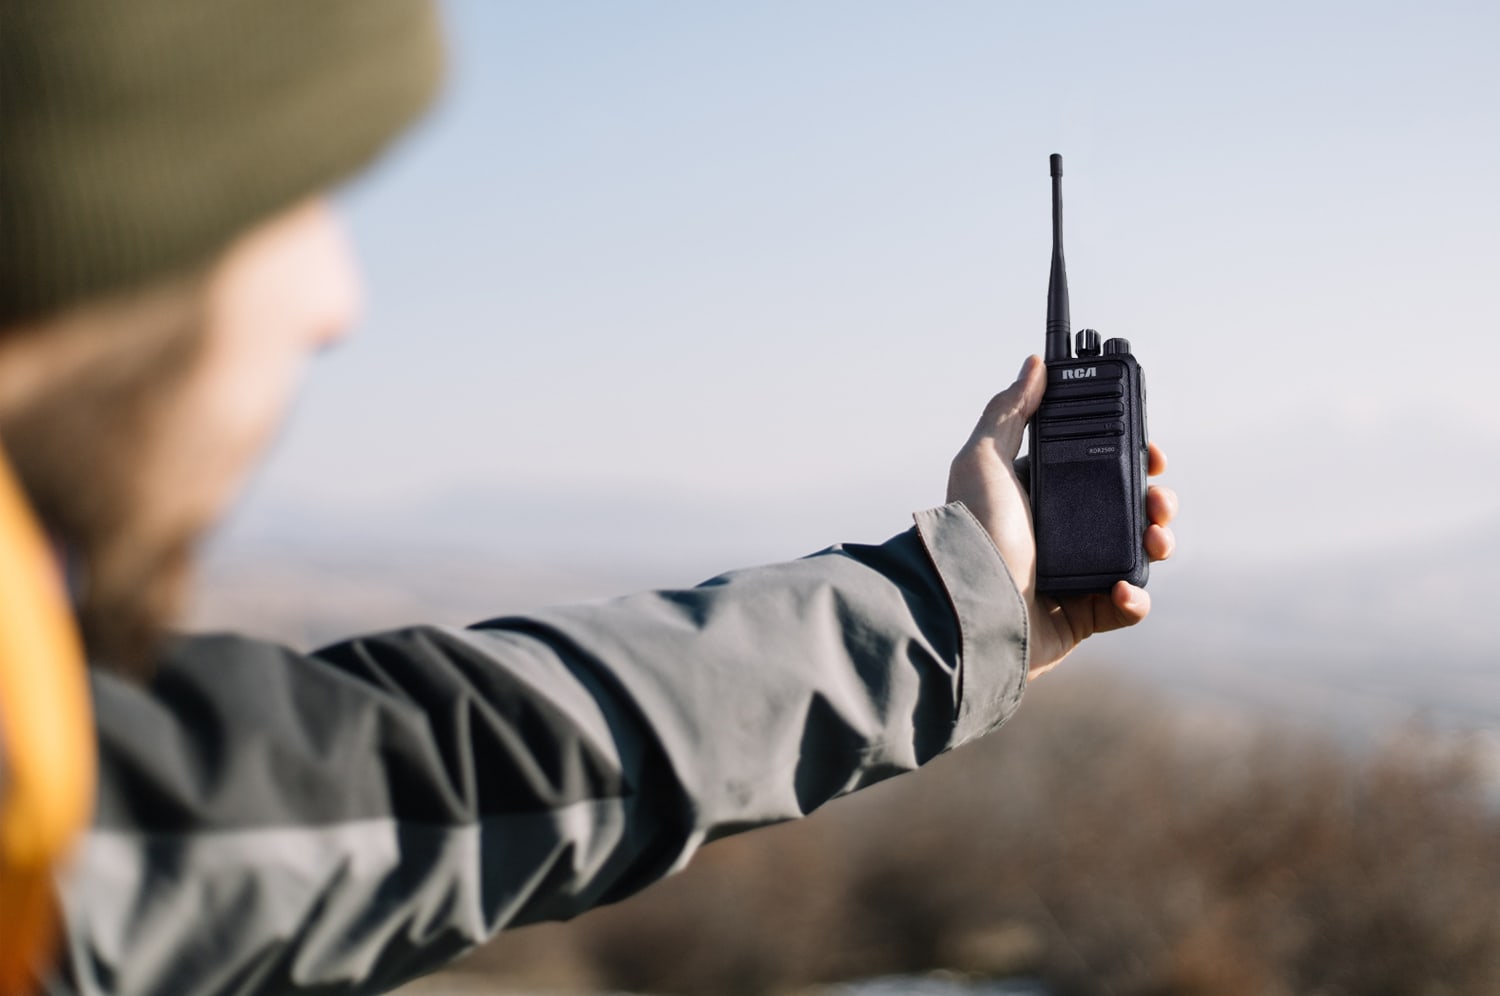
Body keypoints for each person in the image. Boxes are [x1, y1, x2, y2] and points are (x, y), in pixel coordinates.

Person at [0, 2, 1178, 994]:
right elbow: (442, 777)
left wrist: (952, 610)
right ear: (86, 233)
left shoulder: (52, 793)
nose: (336, 300)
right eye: (285, 202)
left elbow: (447, 763)